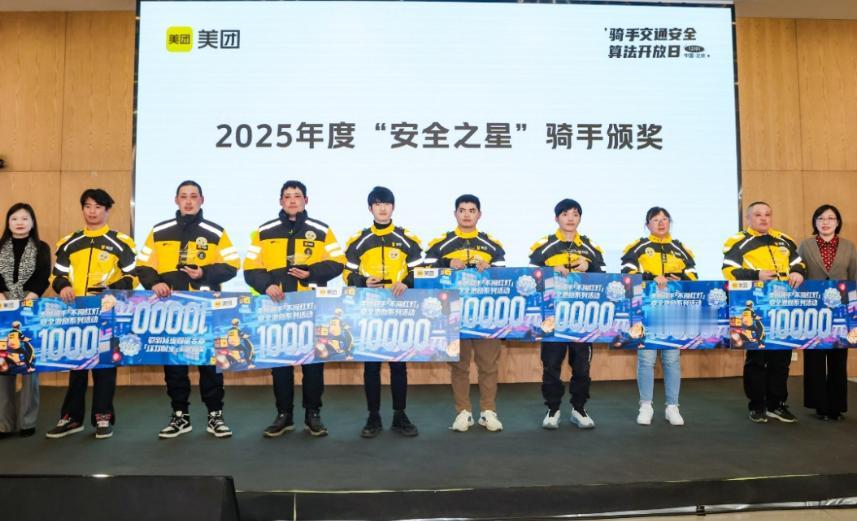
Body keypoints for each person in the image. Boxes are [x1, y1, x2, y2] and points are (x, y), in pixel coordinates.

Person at [137, 180, 240, 439]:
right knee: (174, 367)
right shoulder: (159, 231)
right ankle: (179, 415)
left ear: (202, 200)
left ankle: (215, 415)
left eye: (194, 196)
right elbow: (143, 265)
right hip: (170, 311)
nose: (189, 201)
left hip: (206, 311)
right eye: (184, 196)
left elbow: (232, 266)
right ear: (176, 200)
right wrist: (154, 282)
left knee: (209, 365)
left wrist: (204, 273)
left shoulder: (216, 232)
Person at [244, 181, 345, 438]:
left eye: (297, 196)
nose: (292, 200)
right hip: (278, 307)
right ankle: (284, 415)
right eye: (287, 196)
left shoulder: (322, 230)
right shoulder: (263, 231)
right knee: (280, 363)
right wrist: (266, 286)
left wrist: (312, 272)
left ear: (306, 200)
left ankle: (313, 414)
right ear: (280, 201)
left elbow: (338, 263)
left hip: (312, 306)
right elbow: (250, 268)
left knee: (313, 364)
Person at [46, 189, 137, 439]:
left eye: (98, 207)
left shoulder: (121, 242)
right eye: (88, 206)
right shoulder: (69, 242)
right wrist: (63, 286)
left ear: (107, 211)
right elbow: (56, 275)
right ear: (83, 209)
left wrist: (113, 289)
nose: (92, 211)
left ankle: (103, 417)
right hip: (76, 313)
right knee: (76, 366)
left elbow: (133, 276)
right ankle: (71, 418)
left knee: (105, 366)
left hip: (106, 312)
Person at [343, 186, 422, 438]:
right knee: (371, 367)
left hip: (399, 308)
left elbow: (420, 271)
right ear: (370, 208)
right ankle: (373, 417)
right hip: (370, 309)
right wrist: (362, 281)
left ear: (393, 207)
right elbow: (347, 273)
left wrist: (407, 283)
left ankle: (400, 415)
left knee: (399, 365)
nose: (382, 208)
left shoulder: (408, 238)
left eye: (386, 203)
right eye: (377, 204)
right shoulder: (358, 240)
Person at [424, 194, 506, 432]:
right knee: (459, 366)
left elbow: (505, 277)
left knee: (488, 366)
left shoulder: (492, 244)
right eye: (462, 210)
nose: (467, 214)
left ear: (479, 214)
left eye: (472, 210)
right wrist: (446, 264)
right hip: (453, 315)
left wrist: (490, 269)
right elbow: (423, 271)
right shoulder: (441, 244)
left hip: (486, 316)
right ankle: (463, 412)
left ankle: (488, 412)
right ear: (455, 214)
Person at [722, 201, 806, 424]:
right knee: (757, 360)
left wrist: (798, 272)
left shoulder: (784, 240)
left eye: (767, 214)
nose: (763, 218)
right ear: (748, 218)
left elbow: (799, 263)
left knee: (781, 358)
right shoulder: (737, 241)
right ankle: (757, 406)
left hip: (783, 307)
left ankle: (776, 405)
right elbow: (728, 270)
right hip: (754, 307)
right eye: (758, 214)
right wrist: (756, 274)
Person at [529, 198, 605, 430]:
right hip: (552, 318)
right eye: (565, 214)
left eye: (575, 214)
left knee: (582, 367)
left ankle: (579, 409)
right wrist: (550, 270)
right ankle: (552, 409)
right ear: (556, 218)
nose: (570, 218)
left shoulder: (591, 247)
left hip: (583, 318)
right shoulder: (544, 246)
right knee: (551, 365)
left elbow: (604, 280)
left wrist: (590, 267)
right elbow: (530, 276)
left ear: (580, 218)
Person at [620, 206, 697, 427]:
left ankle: (672, 407)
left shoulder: (681, 248)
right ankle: (646, 405)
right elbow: (627, 273)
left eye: (665, 219)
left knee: (672, 359)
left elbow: (693, 275)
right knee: (646, 359)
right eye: (655, 220)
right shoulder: (637, 247)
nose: (661, 223)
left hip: (673, 311)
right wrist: (651, 277)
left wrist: (680, 278)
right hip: (646, 311)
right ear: (647, 225)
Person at [798, 204, 857, 421]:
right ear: (815, 222)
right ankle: (819, 406)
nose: (826, 222)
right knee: (814, 359)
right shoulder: (805, 245)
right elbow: (798, 273)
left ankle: (836, 407)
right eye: (821, 218)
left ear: (837, 222)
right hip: (813, 311)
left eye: (831, 218)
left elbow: (854, 278)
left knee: (838, 359)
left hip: (841, 311)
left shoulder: (849, 246)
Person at [0, 203, 51, 438]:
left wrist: (28, 299)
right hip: (2, 309)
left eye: (24, 218)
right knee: (3, 366)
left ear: (32, 223)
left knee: (29, 366)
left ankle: (28, 422)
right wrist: (3, 298)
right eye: (14, 219)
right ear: (8, 222)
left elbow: (43, 276)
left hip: (31, 310)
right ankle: (4, 424)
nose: (19, 223)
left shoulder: (42, 247)